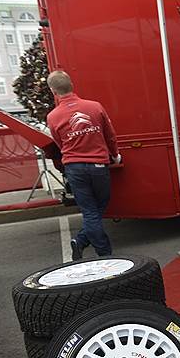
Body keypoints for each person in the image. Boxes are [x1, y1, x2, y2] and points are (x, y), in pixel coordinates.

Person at [46, 70, 120, 260]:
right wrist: (115, 154)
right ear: (72, 84)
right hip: (98, 165)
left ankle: (81, 242)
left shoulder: (53, 116)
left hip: (74, 167)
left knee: (90, 211)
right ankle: (103, 252)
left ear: (53, 91)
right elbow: (109, 134)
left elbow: (59, 143)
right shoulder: (95, 107)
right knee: (100, 205)